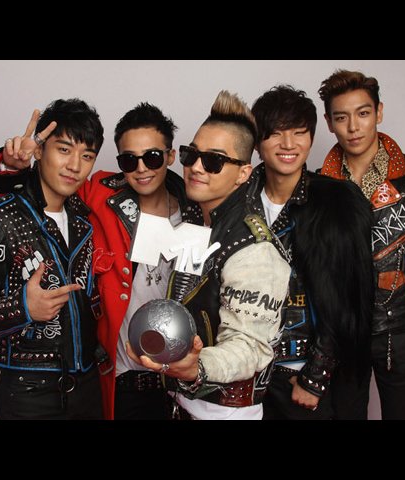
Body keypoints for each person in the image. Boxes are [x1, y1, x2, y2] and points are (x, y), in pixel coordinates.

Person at [0, 103, 188, 420]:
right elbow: (39, 202)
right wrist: (13, 169)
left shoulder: (194, 209)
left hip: (179, 380)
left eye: (152, 157)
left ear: (170, 156)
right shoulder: (100, 195)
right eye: (129, 160)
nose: (141, 169)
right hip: (117, 376)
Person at [126, 90, 291, 420]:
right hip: (180, 403)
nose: (196, 168)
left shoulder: (255, 250)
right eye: (191, 155)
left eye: (214, 161)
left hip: (223, 414)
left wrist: (197, 367)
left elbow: (250, 346)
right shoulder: (197, 222)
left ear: (243, 173)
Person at [318, 69, 405, 420]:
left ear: (379, 112)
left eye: (363, 113)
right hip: (341, 335)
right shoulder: (319, 188)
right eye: (341, 117)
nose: (353, 127)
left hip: (402, 331)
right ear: (329, 123)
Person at [0, 98, 105, 419]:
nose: (75, 165)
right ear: (40, 151)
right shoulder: (1, 219)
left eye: (87, 156)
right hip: (28, 391)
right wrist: (22, 308)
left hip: (87, 382)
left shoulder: (84, 219)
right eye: (64, 149)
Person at [246, 85, 374, 419]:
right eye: (275, 133)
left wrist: (314, 378)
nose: (288, 144)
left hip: (303, 375)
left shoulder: (338, 202)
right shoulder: (237, 202)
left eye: (299, 132)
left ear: (312, 137)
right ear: (257, 142)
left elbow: (347, 300)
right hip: (245, 372)